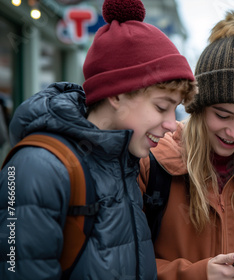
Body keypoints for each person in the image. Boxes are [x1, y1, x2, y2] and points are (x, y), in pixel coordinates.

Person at [0, 0, 196, 278]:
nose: (171, 124)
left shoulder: (126, 162)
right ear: (117, 94)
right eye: (161, 106)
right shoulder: (38, 167)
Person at [138, 10, 234, 280]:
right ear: (198, 108)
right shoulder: (151, 163)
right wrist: (198, 274)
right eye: (222, 115)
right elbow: (125, 264)